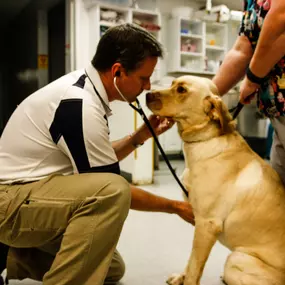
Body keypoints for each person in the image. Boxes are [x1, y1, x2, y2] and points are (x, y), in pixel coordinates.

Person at [0, 23, 194, 285]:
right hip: (10, 204)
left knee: (111, 268)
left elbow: (95, 162)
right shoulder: (80, 104)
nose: (148, 86)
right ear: (117, 71)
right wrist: (177, 207)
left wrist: (140, 137)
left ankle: (19, 256)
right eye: (143, 77)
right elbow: (109, 187)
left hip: (28, 193)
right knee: (113, 191)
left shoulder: (83, 90)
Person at [213, 0, 285, 184]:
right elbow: (242, 49)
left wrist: (252, 78)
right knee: (278, 196)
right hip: (278, 114)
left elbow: (281, 21)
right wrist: (205, 94)